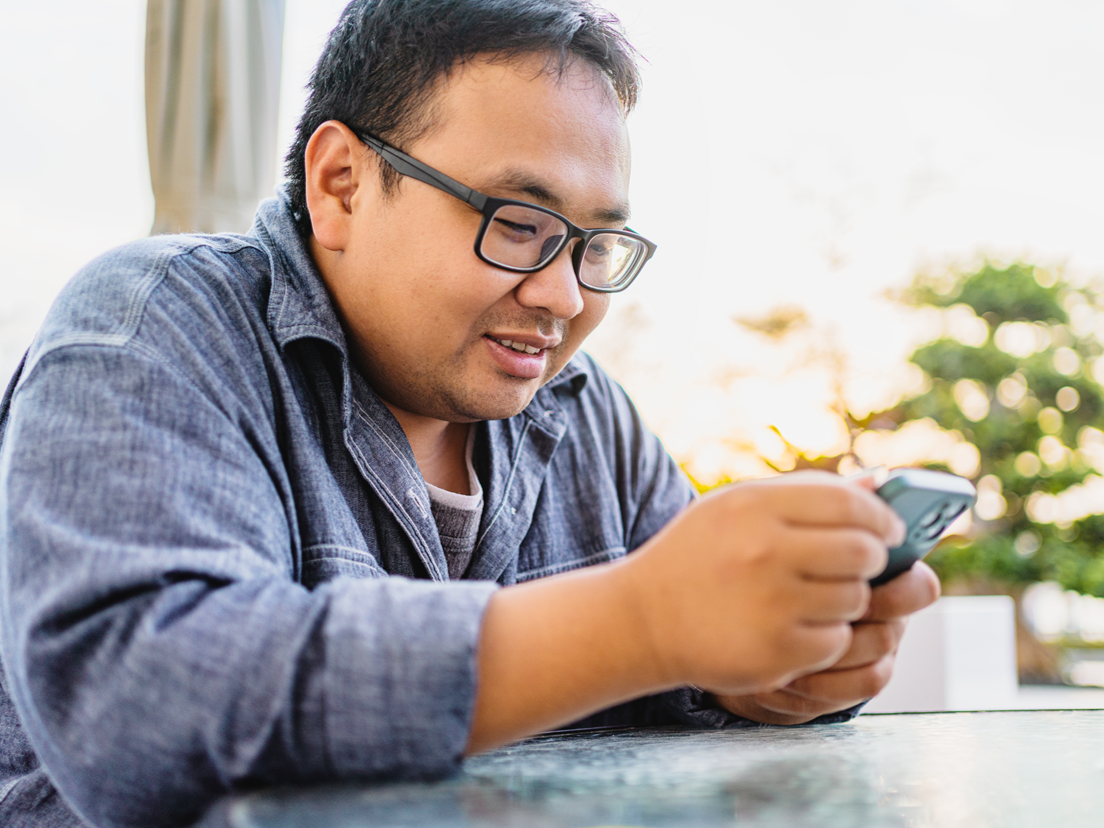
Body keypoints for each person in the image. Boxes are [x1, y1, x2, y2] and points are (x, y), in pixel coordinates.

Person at [0, 1, 938, 826]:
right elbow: (137, 708)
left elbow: (692, 647)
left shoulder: (582, 415)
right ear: (342, 185)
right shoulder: (156, 326)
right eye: (520, 226)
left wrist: (769, 671)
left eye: (594, 244)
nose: (566, 297)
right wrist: (640, 626)